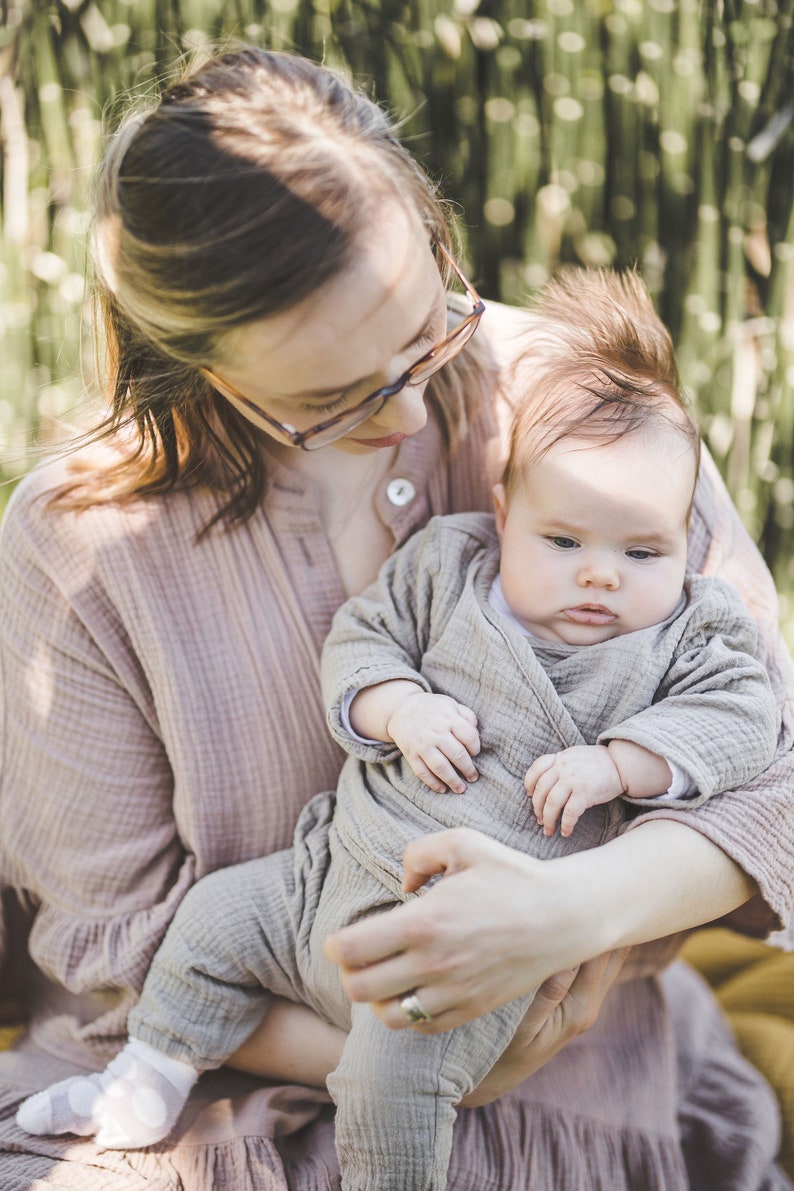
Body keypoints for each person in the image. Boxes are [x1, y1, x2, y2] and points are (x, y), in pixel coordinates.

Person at [0, 44, 792, 1191]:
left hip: (575, 1093)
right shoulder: (75, 541)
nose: (416, 406)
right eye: (335, 400)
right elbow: (118, 948)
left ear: (431, 228)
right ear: (198, 364)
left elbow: (771, 775)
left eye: (432, 329)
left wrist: (559, 917)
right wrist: (418, 1057)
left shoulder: (585, 415)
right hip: (199, 1100)